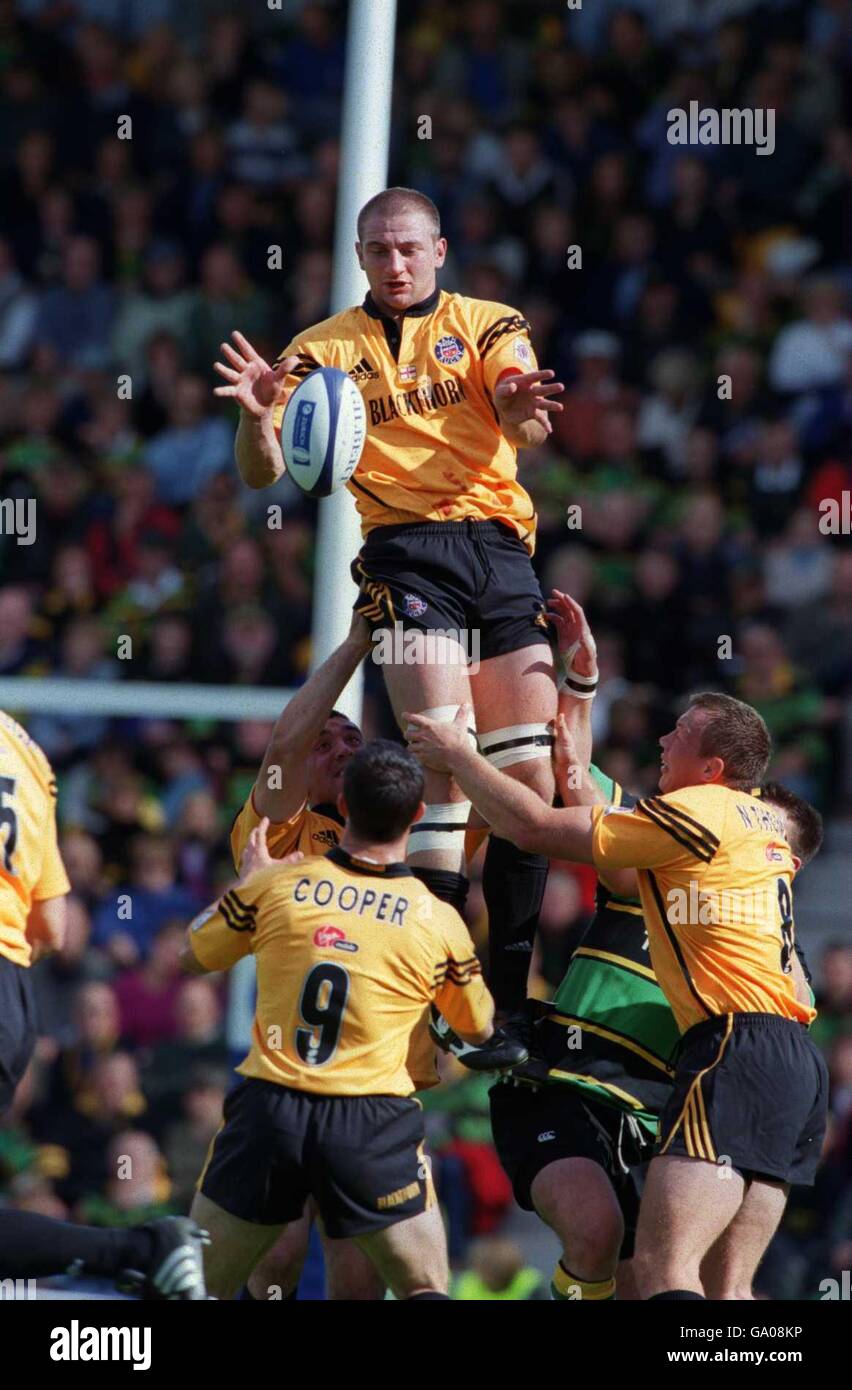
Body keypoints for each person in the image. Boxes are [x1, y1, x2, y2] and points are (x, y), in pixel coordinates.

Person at [214, 184, 566, 1020]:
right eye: (379, 250)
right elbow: (266, 473)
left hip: (500, 551)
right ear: (360, 257)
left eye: (410, 248)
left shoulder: (489, 324)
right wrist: (261, 420)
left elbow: (530, 427)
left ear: (439, 251)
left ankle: (507, 1004)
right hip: (405, 554)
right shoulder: (320, 349)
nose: (395, 263)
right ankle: (436, 1002)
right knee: (438, 766)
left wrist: (517, 411)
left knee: (529, 783)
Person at [406, 690, 829, 1301]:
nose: (661, 739)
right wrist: (579, 690)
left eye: (680, 731)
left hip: (723, 1056)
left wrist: (458, 754)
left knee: (665, 1273)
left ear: (717, 775)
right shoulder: (757, 903)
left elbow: (534, 824)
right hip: (748, 1069)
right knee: (718, 1287)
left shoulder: (698, 819)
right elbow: (573, 781)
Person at [182, 741, 497, 1300]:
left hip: (271, 1110)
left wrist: (249, 880)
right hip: (370, 1120)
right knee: (425, 1286)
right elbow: (477, 1028)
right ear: (418, 815)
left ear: (343, 805)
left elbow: (195, 954)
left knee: (199, 1288)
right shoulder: (434, 917)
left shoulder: (278, 885)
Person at [0, 709, 208, 1300]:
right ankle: (141, 1251)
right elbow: (53, 925)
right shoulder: (27, 750)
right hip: (11, 989)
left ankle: (140, 1249)